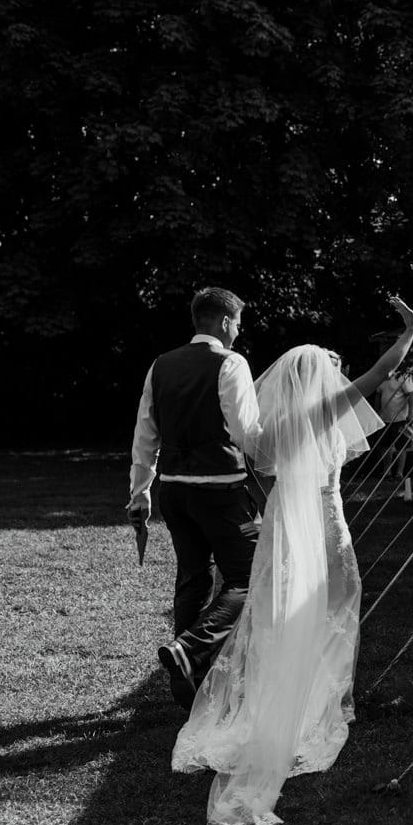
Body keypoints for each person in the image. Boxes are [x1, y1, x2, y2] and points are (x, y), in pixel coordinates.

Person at [172, 299, 413, 825]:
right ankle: (315, 703)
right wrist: (411, 330)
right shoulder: (326, 410)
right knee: (335, 598)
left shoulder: (276, 422)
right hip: (322, 518)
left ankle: (292, 695)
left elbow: (252, 451)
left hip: (283, 517)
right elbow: (383, 373)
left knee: (281, 610)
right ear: (318, 379)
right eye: (331, 372)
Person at [129, 287, 264, 710]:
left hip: (174, 491)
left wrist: (140, 493)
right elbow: (247, 434)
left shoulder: (160, 366)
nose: (239, 332)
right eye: (238, 323)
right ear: (224, 322)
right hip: (220, 489)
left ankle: (188, 681)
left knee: (193, 577)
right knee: (249, 578)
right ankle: (190, 648)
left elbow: (145, 434)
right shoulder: (231, 363)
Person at [372, 364, 413, 488]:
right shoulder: (382, 378)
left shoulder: (403, 377)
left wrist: (411, 413)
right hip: (384, 418)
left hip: (400, 418)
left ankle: (399, 473)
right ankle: (387, 471)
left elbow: (410, 394)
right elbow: (378, 395)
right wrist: (376, 412)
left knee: (401, 446)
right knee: (384, 446)